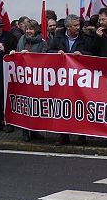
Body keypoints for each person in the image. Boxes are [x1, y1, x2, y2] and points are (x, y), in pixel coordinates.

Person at [47, 14, 90, 145]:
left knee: (80, 106)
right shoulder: (58, 37)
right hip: (63, 78)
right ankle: (63, 135)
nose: (78, 27)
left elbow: (92, 53)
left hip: (80, 79)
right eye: (75, 25)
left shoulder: (85, 38)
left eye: (78, 25)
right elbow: (48, 51)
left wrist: (82, 55)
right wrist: (56, 53)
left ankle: (81, 135)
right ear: (68, 27)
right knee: (63, 106)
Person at [12, 19, 47, 142]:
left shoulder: (42, 42)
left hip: (35, 79)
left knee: (35, 106)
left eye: (31, 29)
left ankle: (35, 130)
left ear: (36, 30)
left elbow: (44, 58)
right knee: (25, 105)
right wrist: (14, 54)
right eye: (27, 29)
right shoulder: (21, 39)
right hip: (23, 78)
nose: (28, 31)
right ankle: (25, 131)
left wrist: (30, 55)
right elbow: (17, 52)